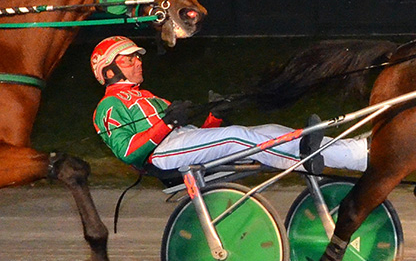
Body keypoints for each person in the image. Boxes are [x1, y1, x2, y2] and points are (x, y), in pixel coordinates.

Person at [90, 36, 367, 175]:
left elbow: (196, 136)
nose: (138, 62)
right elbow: (128, 152)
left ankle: (355, 152)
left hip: (177, 143)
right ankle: (309, 161)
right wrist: (168, 122)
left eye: (137, 58)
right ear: (109, 71)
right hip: (160, 157)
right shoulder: (108, 107)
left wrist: (214, 116)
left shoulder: (148, 96)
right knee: (237, 137)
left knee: (270, 129)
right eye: (129, 60)